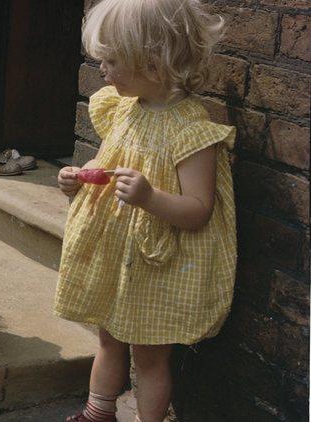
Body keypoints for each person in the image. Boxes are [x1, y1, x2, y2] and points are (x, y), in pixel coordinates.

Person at [54, 1, 236, 421]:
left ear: (152, 63)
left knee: (150, 358)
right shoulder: (123, 109)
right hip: (118, 257)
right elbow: (110, 163)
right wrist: (78, 178)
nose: (102, 68)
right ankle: (98, 412)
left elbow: (198, 210)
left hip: (157, 265)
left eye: (112, 60)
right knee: (107, 337)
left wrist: (149, 198)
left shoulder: (191, 129)